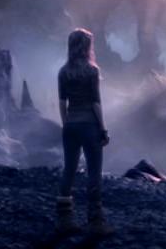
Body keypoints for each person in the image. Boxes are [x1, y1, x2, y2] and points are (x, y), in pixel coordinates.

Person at [55, 28, 114, 236]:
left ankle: (64, 219)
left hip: (71, 125)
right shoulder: (92, 71)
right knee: (94, 171)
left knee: (69, 170)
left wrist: (66, 124)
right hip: (90, 125)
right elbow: (96, 103)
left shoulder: (63, 72)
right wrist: (103, 128)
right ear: (86, 47)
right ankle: (95, 222)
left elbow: (62, 102)